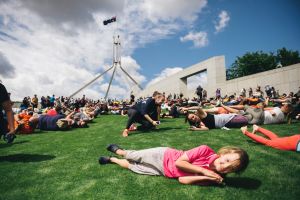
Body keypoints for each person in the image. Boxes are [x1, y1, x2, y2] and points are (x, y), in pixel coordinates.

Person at [99, 144, 249, 185]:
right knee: (133, 155)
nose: (225, 167)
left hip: (164, 171)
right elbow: (179, 163)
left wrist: (210, 178)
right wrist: (204, 172)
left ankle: (112, 160)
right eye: (227, 160)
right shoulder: (205, 150)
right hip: (164, 155)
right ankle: (119, 151)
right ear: (224, 153)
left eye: (231, 168)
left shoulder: (215, 177)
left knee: (134, 167)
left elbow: (182, 180)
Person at [181, 106, 248, 130]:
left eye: (193, 116)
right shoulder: (199, 124)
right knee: (244, 122)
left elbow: (198, 108)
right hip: (225, 124)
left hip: (225, 118)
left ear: (195, 114)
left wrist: (187, 109)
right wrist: (195, 129)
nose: (193, 118)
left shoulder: (202, 115)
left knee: (245, 120)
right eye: (191, 119)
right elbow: (206, 129)